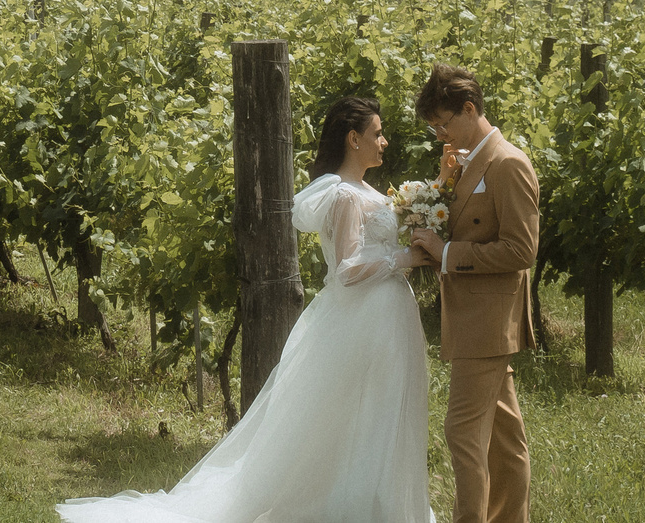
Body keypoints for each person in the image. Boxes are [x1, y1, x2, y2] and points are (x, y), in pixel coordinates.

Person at [57, 92, 433, 523]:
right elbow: (347, 269)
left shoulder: (371, 192)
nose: (384, 142)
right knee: (351, 417)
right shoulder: (347, 196)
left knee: (382, 414)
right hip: (360, 321)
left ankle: (382, 505)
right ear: (353, 139)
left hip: (387, 319)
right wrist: (405, 259)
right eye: (377, 134)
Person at [404, 64, 538, 523]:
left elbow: (521, 250)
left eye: (445, 122)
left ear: (470, 108)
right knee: (504, 440)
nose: (441, 134)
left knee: (462, 434)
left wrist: (447, 254)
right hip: (472, 319)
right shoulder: (465, 160)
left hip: (487, 322)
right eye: (434, 127)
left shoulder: (508, 163)